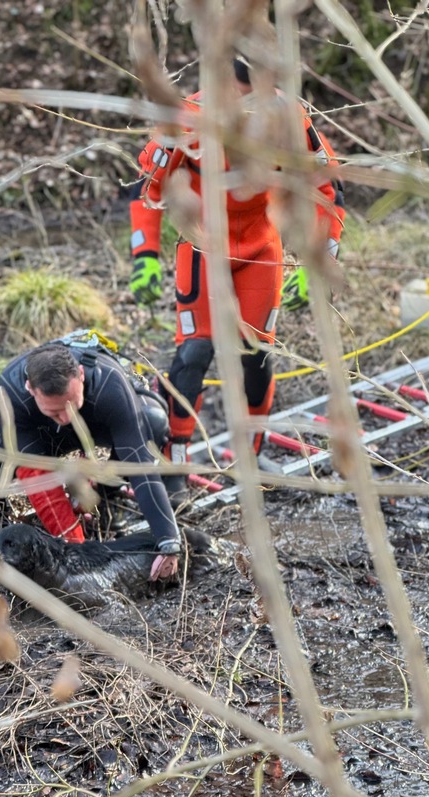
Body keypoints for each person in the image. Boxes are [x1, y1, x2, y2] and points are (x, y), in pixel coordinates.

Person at [129, 57, 345, 503]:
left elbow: (326, 184)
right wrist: (144, 256)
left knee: (257, 353)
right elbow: (146, 189)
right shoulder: (187, 118)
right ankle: (176, 457)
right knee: (195, 351)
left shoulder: (288, 115)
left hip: (261, 248)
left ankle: (251, 451)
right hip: (204, 246)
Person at [0, 331, 182, 581]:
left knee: (153, 421)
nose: (67, 418)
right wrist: (76, 549)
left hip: (97, 425)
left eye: (71, 405)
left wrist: (168, 540)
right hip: (43, 437)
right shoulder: (12, 392)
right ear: (30, 389)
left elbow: (139, 463)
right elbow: (37, 476)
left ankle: (108, 499)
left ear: (80, 374)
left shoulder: (107, 381)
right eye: (56, 410)